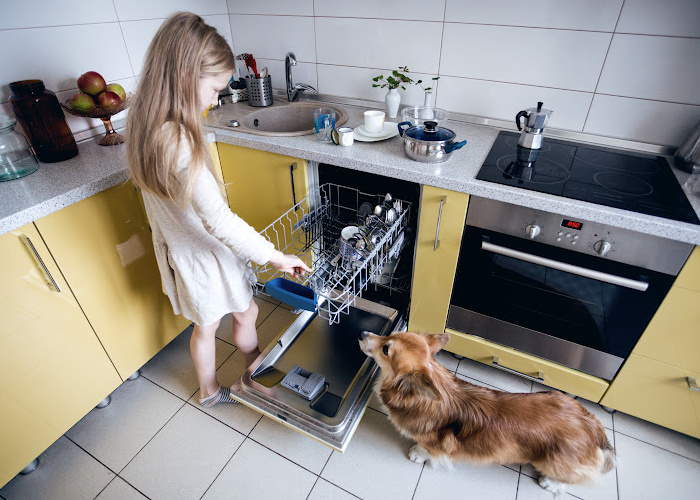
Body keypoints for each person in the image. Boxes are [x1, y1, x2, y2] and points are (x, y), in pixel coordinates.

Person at [127, 12, 309, 407]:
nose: (216, 99)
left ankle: (223, 384)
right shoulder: (179, 141)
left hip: (184, 254)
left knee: (207, 326)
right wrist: (276, 257)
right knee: (244, 313)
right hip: (208, 256)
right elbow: (219, 221)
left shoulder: (146, 126)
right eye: (214, 89)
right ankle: (250, 375)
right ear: (184, 76)